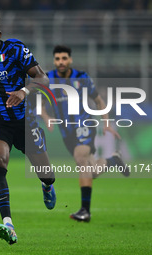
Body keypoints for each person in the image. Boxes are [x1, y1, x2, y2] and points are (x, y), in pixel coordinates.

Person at [0, 8, 56, 245]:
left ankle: (46, 187)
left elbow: (43, 78)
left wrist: (23, 91)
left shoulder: (15, 49)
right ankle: (8, 224)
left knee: (48, 175)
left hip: (24, 120)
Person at [44, 45, 129, 222]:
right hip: (66, 132)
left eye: (64, 58)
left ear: (70, 60)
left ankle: (85, 211)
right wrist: (46, 117)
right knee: (92, 171)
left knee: (81, 159)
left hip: (84, 125)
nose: (61, 62)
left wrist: (106, 123)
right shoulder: (48, 79)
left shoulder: (82, 78)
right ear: (54, 61)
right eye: (58, 59)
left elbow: (98, 101)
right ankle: (113, 159)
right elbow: (40, 102)